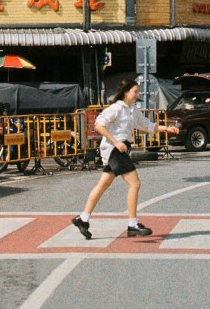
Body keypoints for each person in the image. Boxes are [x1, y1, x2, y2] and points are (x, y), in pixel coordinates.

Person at [72, 79, 179, 239]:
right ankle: (132, 224)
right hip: (115, 149)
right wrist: (116, 141)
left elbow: (147, 125)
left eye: (138, 92)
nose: (137, 94)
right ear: (125, 92)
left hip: (121, 148)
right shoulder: (116, 109)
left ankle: (83, 219)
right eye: (135, 91)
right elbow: (98, 125)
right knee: (135, 183)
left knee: (103, 185)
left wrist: (167, 129)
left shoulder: (133, 110)